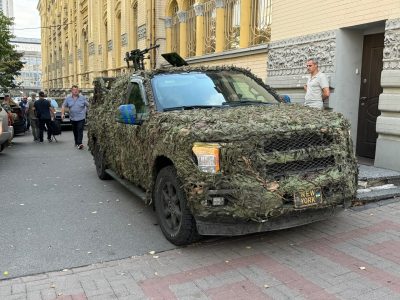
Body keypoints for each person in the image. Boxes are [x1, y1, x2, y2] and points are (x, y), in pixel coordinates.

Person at [61, 85, 89, 149]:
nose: (76, 91)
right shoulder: (68, 98)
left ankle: (80, 143)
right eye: (74, 90)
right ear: (72, 91)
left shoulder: (82, 98)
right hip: (73, 117)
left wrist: (89, 112)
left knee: (80, 129)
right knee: (75, 130)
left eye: (77, 90)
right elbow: (63, 106)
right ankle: (76, 142)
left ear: (78, 91)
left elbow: (88, 105)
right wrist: (62, 114)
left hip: (81, 117)